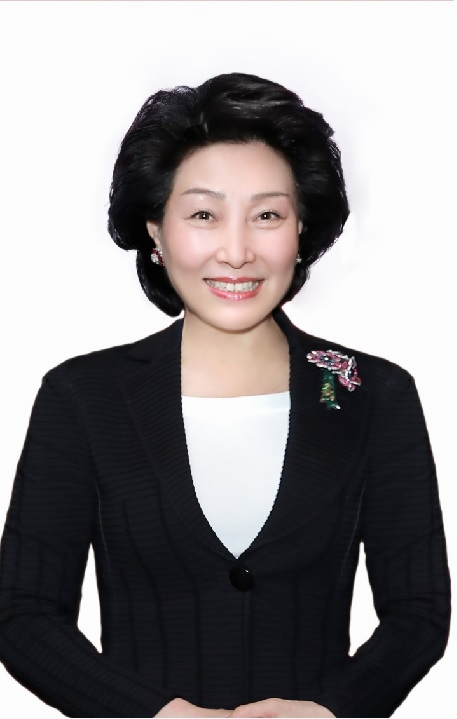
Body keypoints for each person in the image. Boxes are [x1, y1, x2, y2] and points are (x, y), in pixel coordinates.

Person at [0, 72, 450, 718]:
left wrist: (331, 710)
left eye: (267, 215)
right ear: (156, 232)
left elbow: (418, 609)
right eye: (203, 215)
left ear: (301, 228)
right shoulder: (82, 396)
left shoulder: (371, 392)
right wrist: (156, 714)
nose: (236, 252)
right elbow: (24, 614)